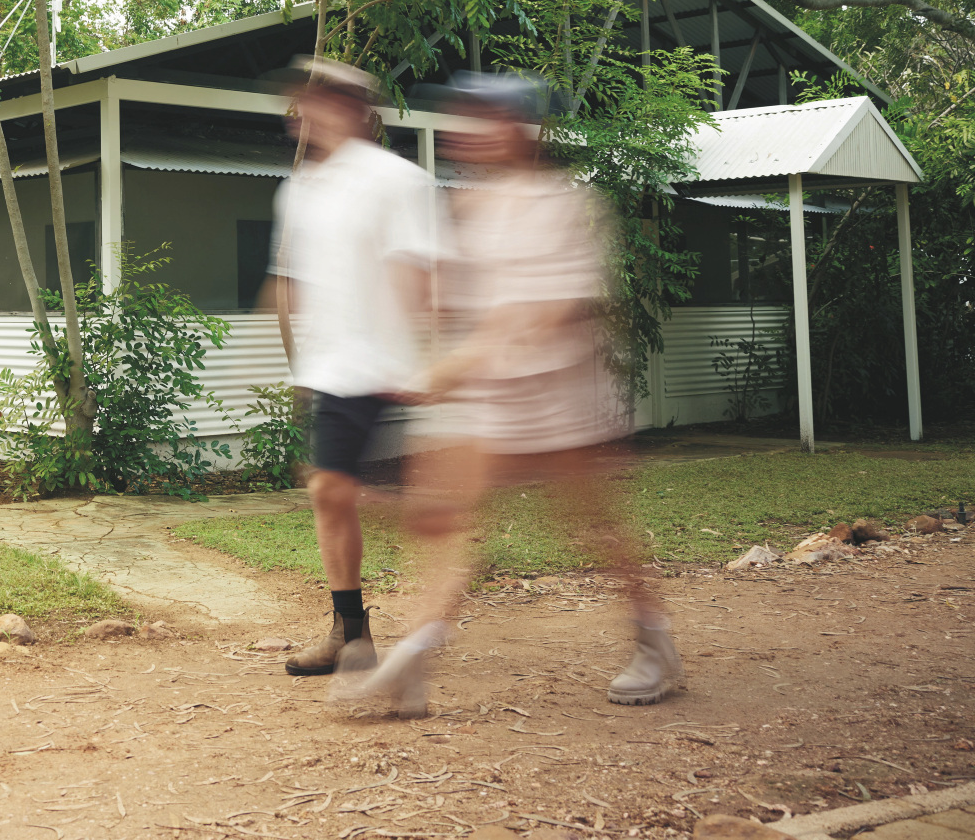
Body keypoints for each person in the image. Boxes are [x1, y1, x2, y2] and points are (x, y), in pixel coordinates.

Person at [326, 71, 681, 715]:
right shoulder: (469, 207)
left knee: (594, 526)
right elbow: (449, 299)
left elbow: (544, 310)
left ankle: (655, 642)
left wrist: (451, 368)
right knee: (444, 519)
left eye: (488, 118)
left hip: (560, 396)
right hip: (488, 399)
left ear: (521, 129)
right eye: (467, 118)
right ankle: (414, 662)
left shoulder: (565, 203)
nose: (472, 131)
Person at [263, 56, 436, 677]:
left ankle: (388, 617)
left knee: (335, 489)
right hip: (332, 367)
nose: (304, 114)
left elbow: (416, 270)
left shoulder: (398, 180)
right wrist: (297, 364)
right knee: (329, 493)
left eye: (320, 102)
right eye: (301, 104)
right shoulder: (300, 190)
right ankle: (350, 633)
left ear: (356, 112)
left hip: (383, 362)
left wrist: (419, 359)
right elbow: (293, 282)